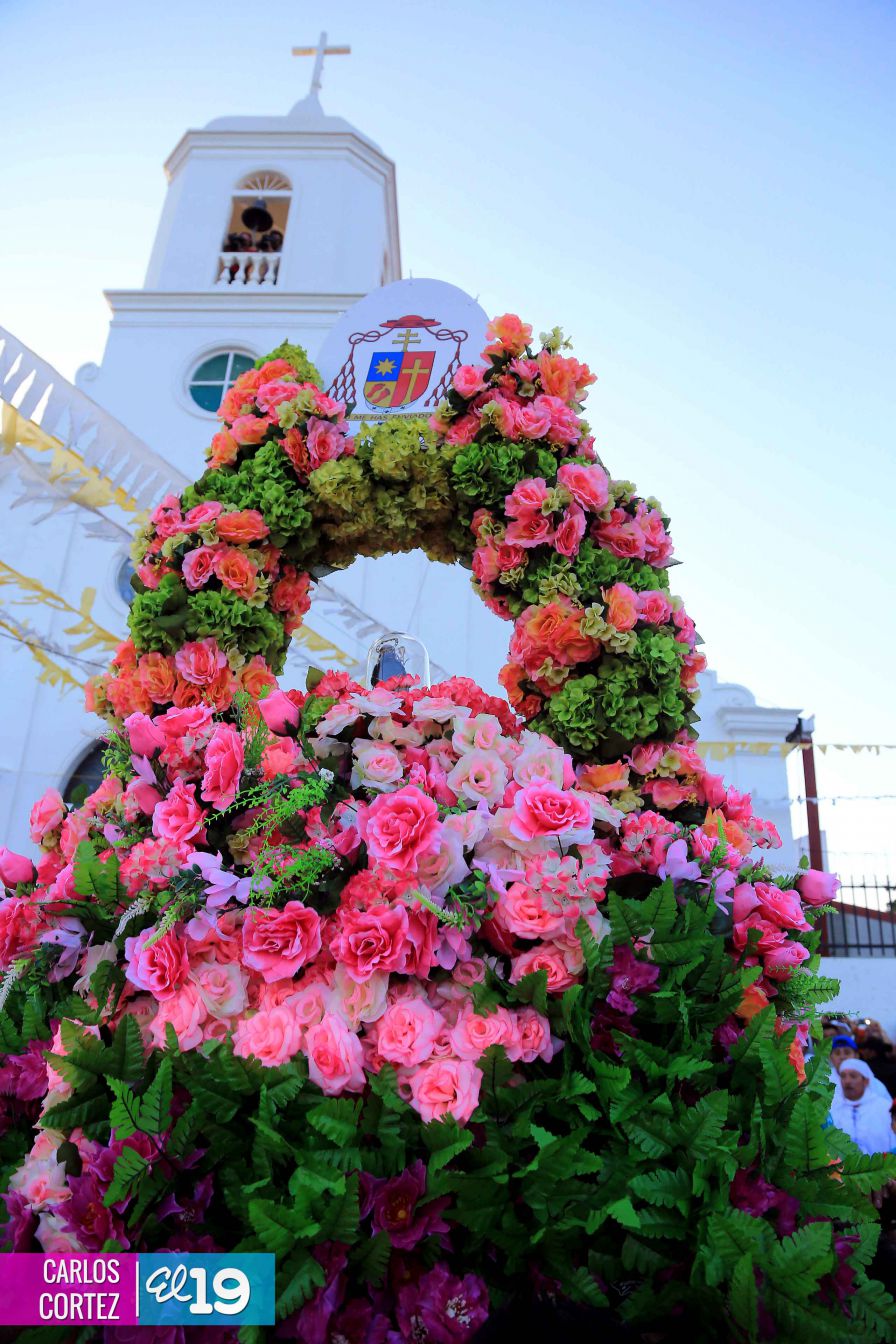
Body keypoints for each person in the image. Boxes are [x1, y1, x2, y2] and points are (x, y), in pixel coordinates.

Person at [830, 1060, 895, 1155]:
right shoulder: (832, 1107)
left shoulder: (884, 1107)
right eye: (843, 1076)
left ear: (866, 1081)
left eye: (853, 1076)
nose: (847, 1081)